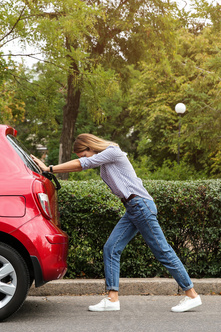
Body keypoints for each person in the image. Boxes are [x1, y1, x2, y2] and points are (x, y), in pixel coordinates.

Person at [31, 133, 201, 313]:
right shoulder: (105, 160)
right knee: (111, 248)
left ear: (90, 147)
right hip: (134, 208)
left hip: (140, 205)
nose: (83, 158)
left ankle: (192, 295)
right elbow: (84, 164)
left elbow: (83, 165)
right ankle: (112, 299)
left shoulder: (112, 152)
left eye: (83, 154)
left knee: (162, 250)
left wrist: (49, 168)